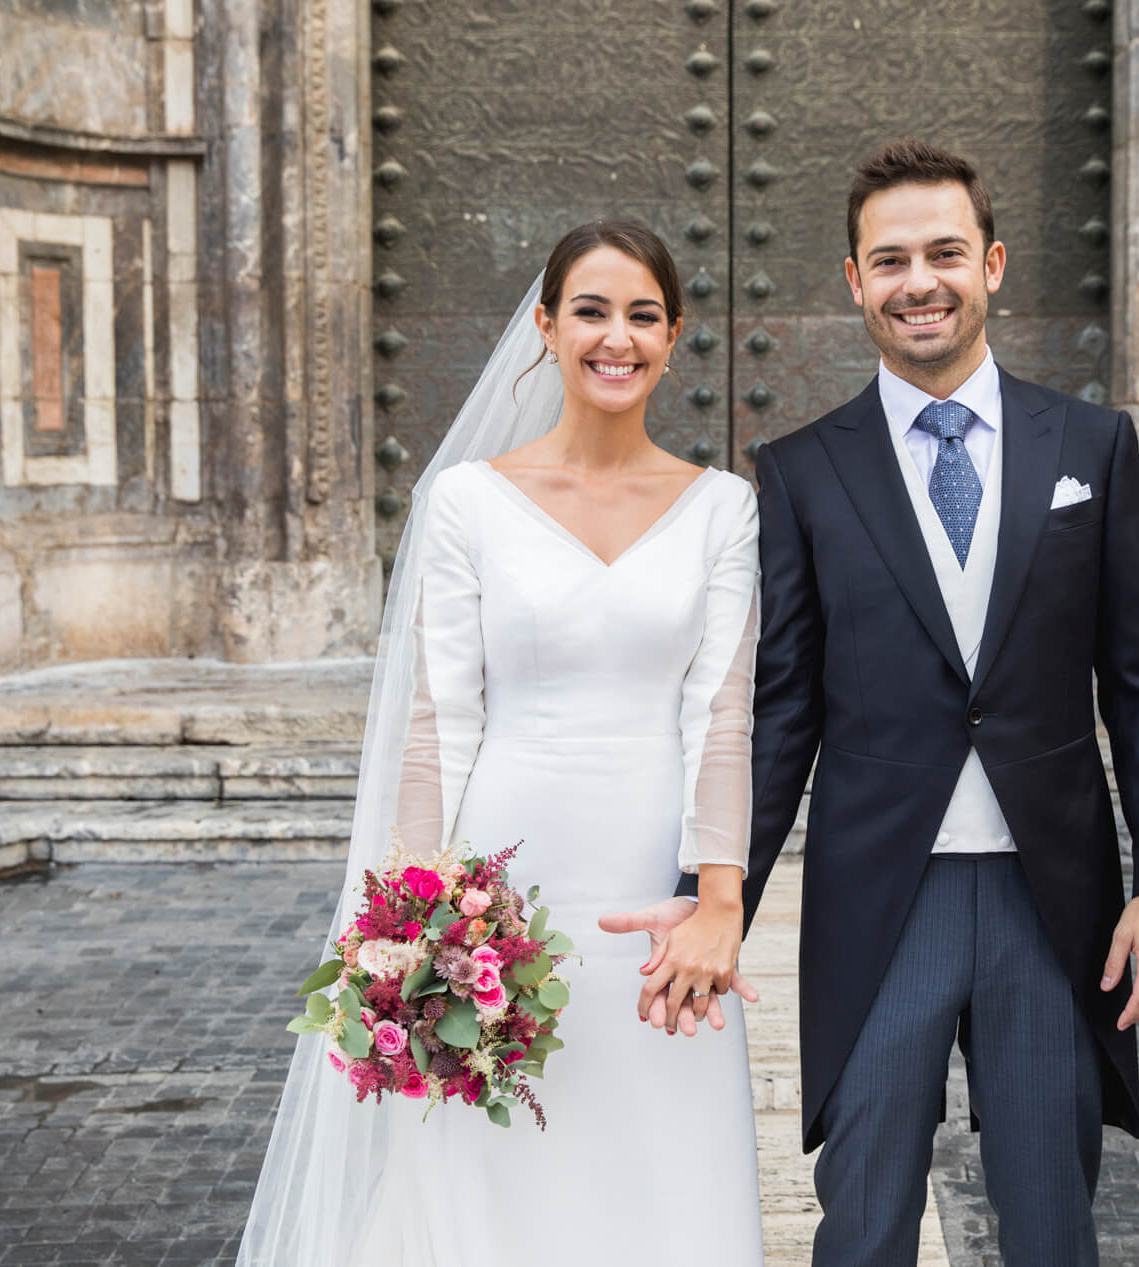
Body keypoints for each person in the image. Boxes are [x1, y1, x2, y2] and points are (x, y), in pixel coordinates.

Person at [664, 138, 1139, 1266]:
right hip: (880, 898)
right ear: (854, 281)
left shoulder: (1092, 448)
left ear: (993, 264)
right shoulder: (802, 471)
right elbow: (783, 714)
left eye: (946, 252)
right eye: (893, 258)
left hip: (1049, 904)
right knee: (862, 1216)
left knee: (1052, 1218)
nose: (923, 280)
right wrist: (717, 893)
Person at [236, 221, 765, 1266]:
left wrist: (718, 901)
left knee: (658, 1146)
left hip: (649, 878)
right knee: (497, 1152)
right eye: (591, 311)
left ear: (672, 338)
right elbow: (441, 720)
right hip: (502, 876)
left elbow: (722, 717)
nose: (617, 338)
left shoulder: (723, 509)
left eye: (643, 316)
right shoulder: (467, 501)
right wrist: (407, 914)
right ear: (545, 327)